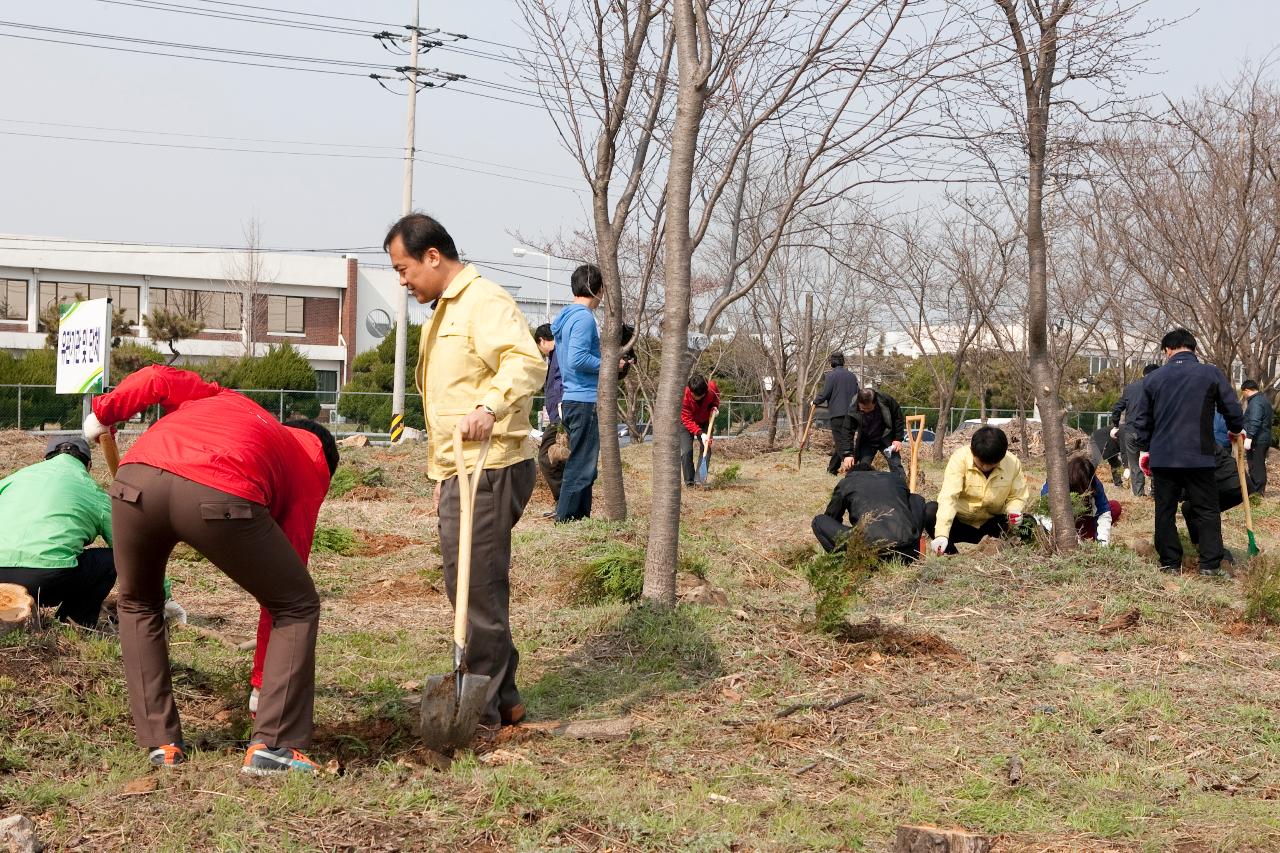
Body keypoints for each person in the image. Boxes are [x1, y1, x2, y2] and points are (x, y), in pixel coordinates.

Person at [83, 365, 338, 773]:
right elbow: (279, 603)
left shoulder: (225, 399)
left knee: (137, 603)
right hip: (216, 489)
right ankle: (275, 744)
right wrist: (261, 686)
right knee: (298, 603)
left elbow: (158, 378)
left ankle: (160, 744)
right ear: (325, 460)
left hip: (135, 481)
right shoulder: (311, 466)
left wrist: (105, 412)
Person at [387, 213, 545, 731]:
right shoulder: (442, 310)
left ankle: (481, 713)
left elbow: (525, 361)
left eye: (404, 268)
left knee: (475, 588)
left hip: (491, 464)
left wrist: (490, 408)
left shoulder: (484, 301)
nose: (403, 280)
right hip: (461, 468)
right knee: (469, 587)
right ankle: (507, 697)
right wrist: (442, 477)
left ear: (433, 256)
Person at [1130, 328, 1244, 576]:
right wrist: (1236, 429)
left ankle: (1170, 563)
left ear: (1168, 350)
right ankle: (1210, 565)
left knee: (1165, 511)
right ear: (1193, 348)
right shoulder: (1210, 373)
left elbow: (1141, 420)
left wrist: (1144, 448)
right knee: (1206, 509)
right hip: (1200, 456)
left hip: (1164, 456)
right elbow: (1232, 409)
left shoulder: (1153, 379)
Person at [0, 437, 114, 627]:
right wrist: (163, 595)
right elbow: (129, 548)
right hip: (46, 580)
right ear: (89, 465)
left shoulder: (15, 477)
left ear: (45, 458)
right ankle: (74, 622)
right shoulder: (94, 491)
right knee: (113, 559)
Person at [551, 264, 604, 521]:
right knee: (582, 465)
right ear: (598, 290)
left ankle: (580, 518)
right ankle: (566, 518)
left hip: (573, 398)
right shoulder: (583, 318)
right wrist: (609, 364)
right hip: (584, 400)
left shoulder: (566, 317)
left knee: (584, 463)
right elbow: (578, 359)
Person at [930, 425, 1029, 555]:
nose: (986, 467)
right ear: (972, 451)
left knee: (1028, 522)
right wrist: (941, 534)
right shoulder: (959, 459)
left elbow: (1017, 496)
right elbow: (949, 497)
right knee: (930, 511)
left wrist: (1014, 511)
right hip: (960, 523)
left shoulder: (1012, 463)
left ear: (1002, 456)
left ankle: (1010, 552)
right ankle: (951, 554)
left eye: (991, 464)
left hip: (992, 525)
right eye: (981, 462)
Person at [812, 461, 936, 561]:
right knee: (915, 498)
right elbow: (912, 506)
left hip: (870, 553)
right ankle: (916, 547)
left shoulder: (847, 482)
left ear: (851, 474)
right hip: (908, 551)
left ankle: (844, 561)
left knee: (819, 521)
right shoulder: (895, 479)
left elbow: (831, 517)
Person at [1181, 443, 1261, 558]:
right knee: (1190, 509)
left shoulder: (1192, 445)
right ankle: (1203, 546)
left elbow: (1197, 479)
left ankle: (1217, 554)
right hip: (1238, 485)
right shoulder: (1202, 438)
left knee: (1204, 511)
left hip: (1229, 484)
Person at [1037, 456, 1122, 545]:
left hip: (1084, 520)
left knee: (1114, 506)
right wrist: (1070, 539)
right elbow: (1044, 516)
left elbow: (1103, 512)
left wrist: (1103, 543)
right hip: (1061, 523)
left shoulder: (1093, 482)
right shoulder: (1054, 483)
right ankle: (1083, 539)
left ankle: (1087, 538)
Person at [1111, 364, 1160, 497]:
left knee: (1134, 464)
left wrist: (1115, 425)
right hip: (1151, 432)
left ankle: (1138, 493)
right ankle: (1155, 492)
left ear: (1143, 374)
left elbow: (1117, 408)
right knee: (1154, 461)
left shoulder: (1130, 388)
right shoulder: (1159, 388)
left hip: (1131, 430)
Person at [533, 324, 565, 508]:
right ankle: (563, 504)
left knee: (546, 458)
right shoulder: (556, 355)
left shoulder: (558, 354)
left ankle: (563, 503)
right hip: (558, 414)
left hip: (561, 414)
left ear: (542, 341)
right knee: (559, 459)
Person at [814, 353, 860, 475]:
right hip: (852, 414)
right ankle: (832, 469)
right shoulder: (852, 376)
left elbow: (825, 393)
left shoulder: (831, 375)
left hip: (838, 414)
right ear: (843, 362)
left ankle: (852, 470)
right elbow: (858, 393)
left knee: (841, 443)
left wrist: (815, 401)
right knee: (845, 442)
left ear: (832, 362)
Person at [848, 388, 906, 480]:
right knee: (863, 466)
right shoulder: (853, 406)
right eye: (863, 409)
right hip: (867, 440)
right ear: (859, 404)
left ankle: (902, 488)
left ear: (875, 403)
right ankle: (860, 489)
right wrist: (847, 454)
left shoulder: (885, 400)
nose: (866, 411)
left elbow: (898, 418)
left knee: (895, 465)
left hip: (886, 438)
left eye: (869, 408)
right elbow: (848, 430)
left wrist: (898, 439)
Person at [680, 374, 720, 486]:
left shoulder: (711, 387)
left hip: (705, 421)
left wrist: (715, 407)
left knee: (706, 448)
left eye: (699, 396)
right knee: (686, 451)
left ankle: (699, 481)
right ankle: (689, 482)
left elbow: (715, 400)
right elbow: (686, 419)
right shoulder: (684, 395)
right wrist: (700, 434)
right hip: (686, 422)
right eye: (694, 395)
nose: (695, 398)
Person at [1241, 379, 1274, 495]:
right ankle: (1256, 489)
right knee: (1255, 464)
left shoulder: (1256, 402)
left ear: (1246, 390)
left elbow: (1255, 420)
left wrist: (1249, 437)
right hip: (1261, 437)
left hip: (1258, 439)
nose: (1243, 395)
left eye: (1243, 392)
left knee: (1256, 466)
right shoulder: (1262, 399)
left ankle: (1258, 491)